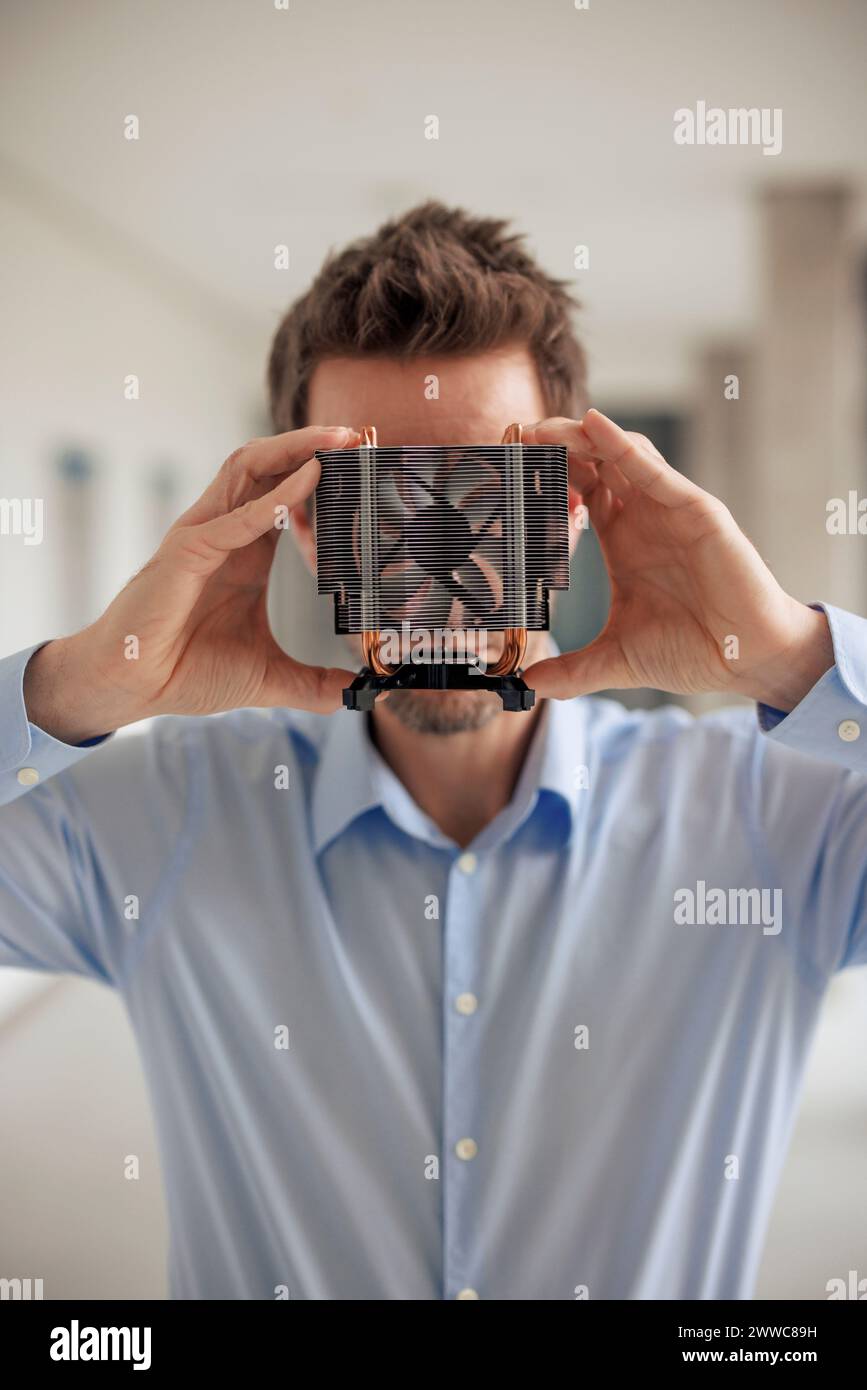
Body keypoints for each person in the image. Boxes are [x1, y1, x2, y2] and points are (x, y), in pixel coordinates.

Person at [1, 202, 864, 1301]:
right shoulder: (161, 816)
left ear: (569, 511)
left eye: (482, 492)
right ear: (303, 527)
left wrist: (792, 655)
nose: (439, 558)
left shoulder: (776, 819)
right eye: (378, 498)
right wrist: (80, 683)